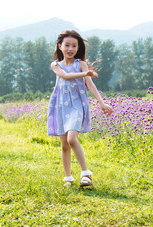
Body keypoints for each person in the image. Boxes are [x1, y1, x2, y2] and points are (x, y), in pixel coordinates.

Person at [47, 30, 113, 187]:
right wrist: (85, 73)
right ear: (60, 46)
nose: (70, 49)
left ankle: (86, 174)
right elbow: (64, 76)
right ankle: (68, 177)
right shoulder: (56, 65)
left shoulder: (81, 64)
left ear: (78, 48)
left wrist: (101, 102)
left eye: (74, 46)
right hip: (60, 105)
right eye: (67, 45)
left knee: (71, 139)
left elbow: (90, 84)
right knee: (64, 145)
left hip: (77, 105)